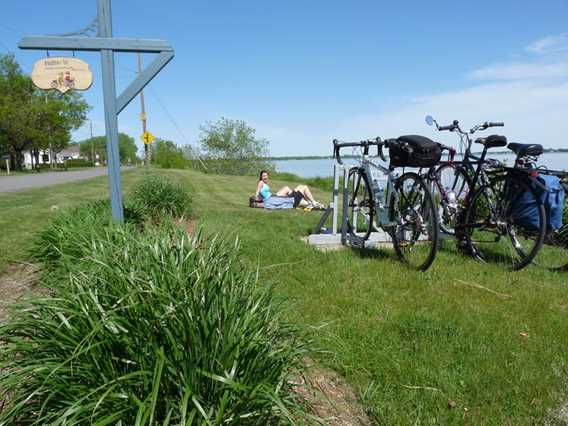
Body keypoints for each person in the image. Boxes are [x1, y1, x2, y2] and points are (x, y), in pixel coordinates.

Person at [255, 170, 324, 210]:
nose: (265, 177)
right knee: (304, 187)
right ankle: (313, 202)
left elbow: (261, 194)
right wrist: (256, 197)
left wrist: (259, 198)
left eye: (266, 175)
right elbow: (258, 191)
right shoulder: (261, 182)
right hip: (275, 198)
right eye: (263, 176)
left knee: (297, 187)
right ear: (261, 177)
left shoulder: (264, 183)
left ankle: (309, 202)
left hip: (275, 197)